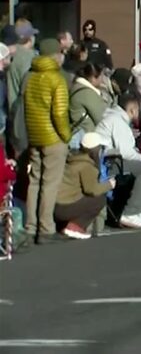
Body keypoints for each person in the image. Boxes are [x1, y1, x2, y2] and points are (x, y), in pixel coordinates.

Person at [23, 37, 72, 244]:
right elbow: (60, 113)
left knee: (34, 180)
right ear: (55, 55)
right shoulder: (57, 79)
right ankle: (46, 227)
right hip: (53, 137)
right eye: (60, 52)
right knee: (49, 183)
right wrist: (66, 135)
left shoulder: (30, 76)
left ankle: (30, 225)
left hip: (34, 135)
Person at [94, 92, 141, 228]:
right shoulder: (117, 121)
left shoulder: (114, 119)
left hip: (110, 159)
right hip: (109, 163)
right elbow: (126, 152)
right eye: (138, 110)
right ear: (132, 109)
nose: (139, 114)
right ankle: (132, 212)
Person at [54, 132, 114, 240]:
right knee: (99, 199)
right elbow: (92, 190)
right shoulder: (86, 166)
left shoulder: (73, 159)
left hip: (55, 205)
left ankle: (63, 226)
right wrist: (109, 184)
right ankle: (76, 226)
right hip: (65, 208)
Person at [68, 62, 109, 142]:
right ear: (93, 78)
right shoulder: (87, 93)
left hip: (81, 135)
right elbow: (102, 118)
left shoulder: (77, 87)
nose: (103, 79)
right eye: (101, 76)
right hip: (87, 138)